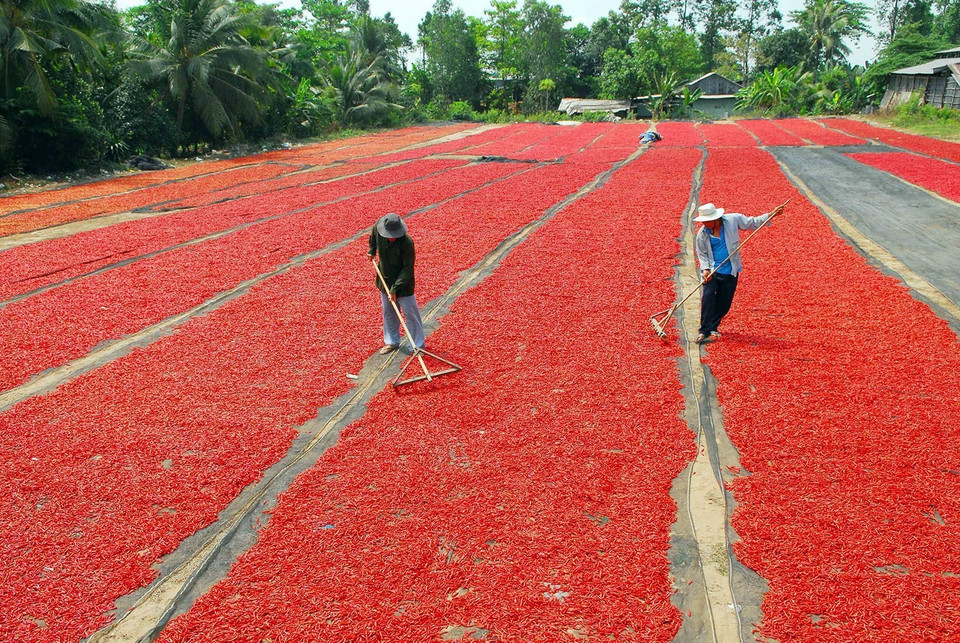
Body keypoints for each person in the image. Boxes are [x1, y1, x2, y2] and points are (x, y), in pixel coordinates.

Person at [693, 202, 783, 343]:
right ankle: (703, 330)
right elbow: (702, 254)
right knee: (708, 298)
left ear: (715, 219)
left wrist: (771, 214)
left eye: (707, 221)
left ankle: (713, 328)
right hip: (712, 272)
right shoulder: (702, 234)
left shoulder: (733, 220)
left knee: (724, 303)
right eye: (703, 221)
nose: (704, 223)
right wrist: (705, 270)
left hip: (730, 270)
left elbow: (752, 223)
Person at [367, 213, 425, 355]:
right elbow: (373, 238)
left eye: (394, 235)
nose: (391, 237)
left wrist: (395, 289)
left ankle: (417, 345)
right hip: (385, 279)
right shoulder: (378, 230)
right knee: (389, 312)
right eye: (389, 235)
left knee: (410, 313)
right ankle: (392, 341)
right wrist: (372, 250)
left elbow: (407, 269)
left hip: (404, 284)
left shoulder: (407, 243)